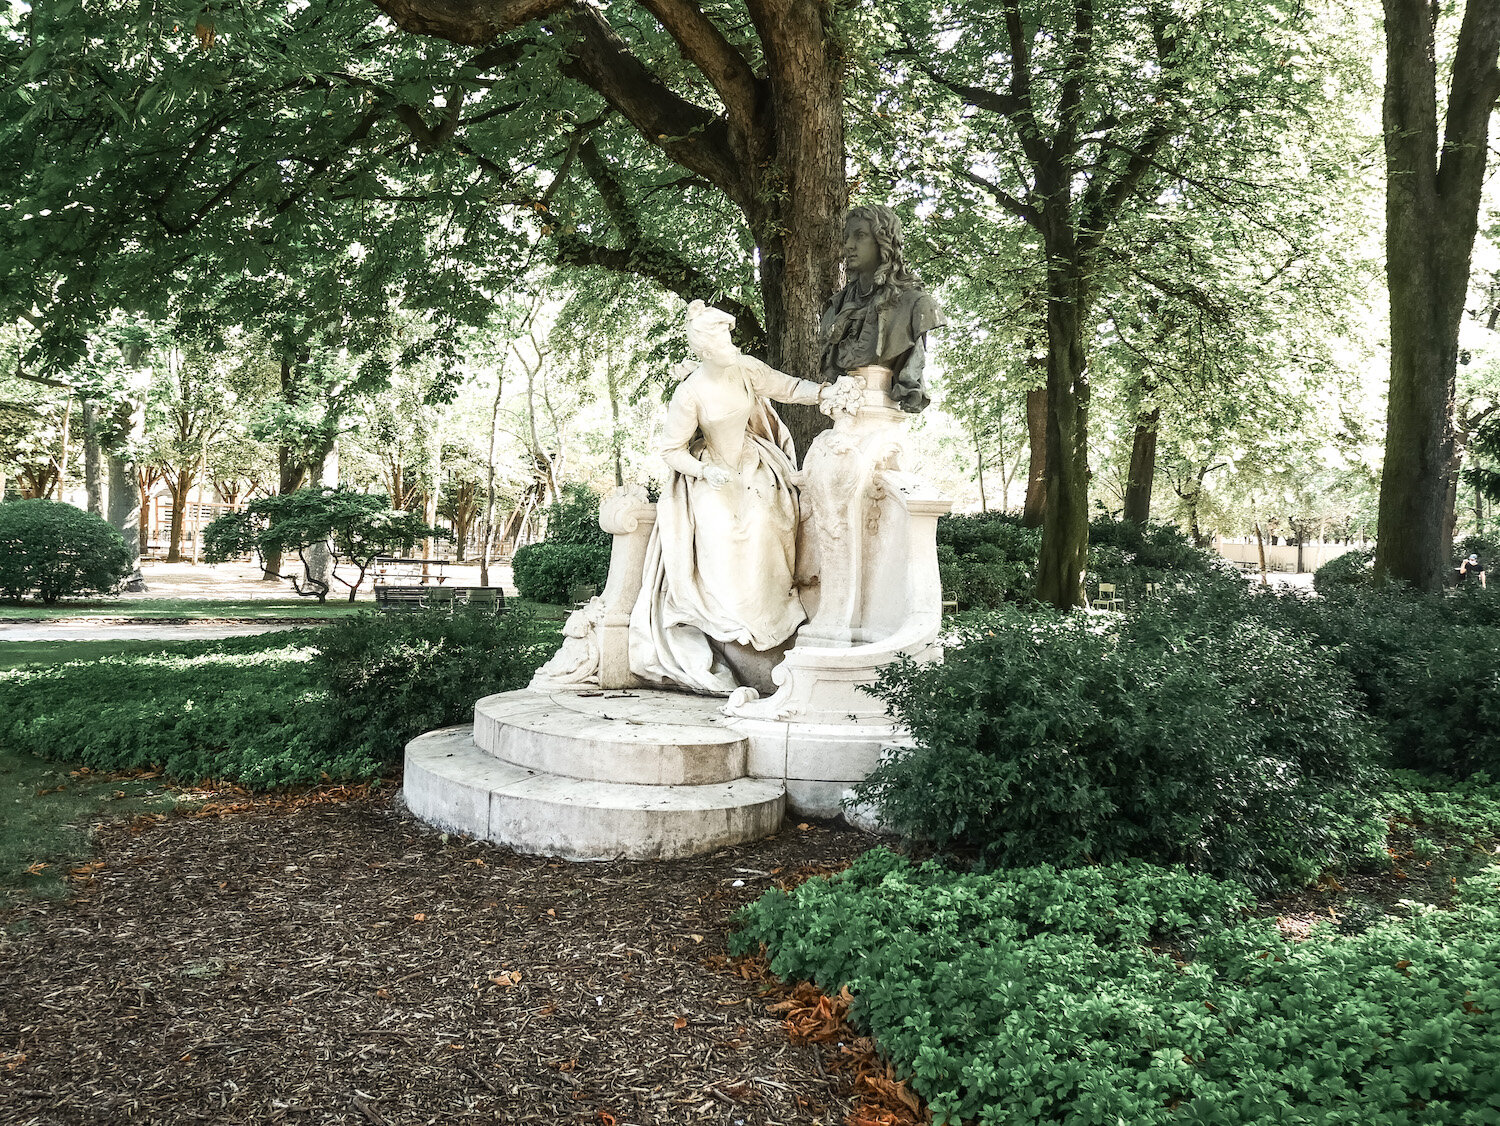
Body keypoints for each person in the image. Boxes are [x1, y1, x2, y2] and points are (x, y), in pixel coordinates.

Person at [628, 301, 831, 695]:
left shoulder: (746, 369)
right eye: (721, 338)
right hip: (711, 472)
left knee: (764, 520)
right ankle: (729, 625)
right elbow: (671, 449)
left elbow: (788, 387)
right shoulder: (690, 393)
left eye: (728, 335)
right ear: (704, 349)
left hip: (753, 465)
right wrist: (705, 471)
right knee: (719, 528)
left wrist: (826, 393)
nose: (729, 343)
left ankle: (772, 621)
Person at [819, 204, 944, 413]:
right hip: (848, 409)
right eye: (847, 237)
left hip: (881, 411)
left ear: (883, 243)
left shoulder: (915, 305)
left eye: (860, 236)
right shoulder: (836, 307)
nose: (849, 245)